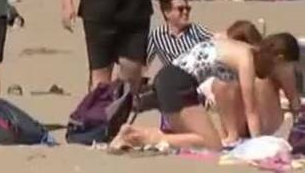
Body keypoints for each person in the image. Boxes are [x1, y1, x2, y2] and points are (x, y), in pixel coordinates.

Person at [112, 33, 300, 151]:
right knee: (212, 145)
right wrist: (259, 145)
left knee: (194, 140)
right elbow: (251, 111)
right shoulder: (247, 60)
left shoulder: (244, 50)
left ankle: (133, 135)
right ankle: (143, 135)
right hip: (178, 83)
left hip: (170, 79)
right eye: (285, 66)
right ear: (279, 57)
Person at [146, 0, 212, 66]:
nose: (185, 12)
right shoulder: (157, 36)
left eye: (187, 8)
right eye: (180, 9)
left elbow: (216, 43)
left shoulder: (196, 30)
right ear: (167, 13)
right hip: (175, 74)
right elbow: (144, 61)